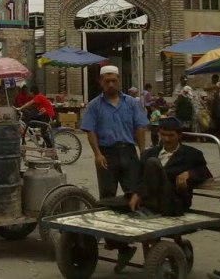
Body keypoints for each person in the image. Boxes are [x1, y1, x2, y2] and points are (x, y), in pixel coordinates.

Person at [79, 65, 148, 273]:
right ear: (100, 82)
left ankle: (147, 247)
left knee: (136, 197)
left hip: (128, 152)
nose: (110, 84)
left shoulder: (131, 103)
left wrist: (143, 152)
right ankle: (120, 247)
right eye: (106, 81)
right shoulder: (94, 106)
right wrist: (97, 154)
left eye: (114, 80)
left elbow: (140, 127)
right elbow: (90, 131)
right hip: (107, 156)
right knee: (106, 201)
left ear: (119, 81)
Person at [128, 117, 212, 216]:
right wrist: (137, 193)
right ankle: (145, 205)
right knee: (112, 202)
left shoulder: (192, 154)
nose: (167, 139)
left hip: (173, 201)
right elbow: (140, 178)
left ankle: (149, 207)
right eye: (163, 135)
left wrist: (189, 174)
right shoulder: (149, 153)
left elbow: (205, 173)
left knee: (152, 163)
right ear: (159, 133)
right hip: (148, 197)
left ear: (179, 135)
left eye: (171, 135)